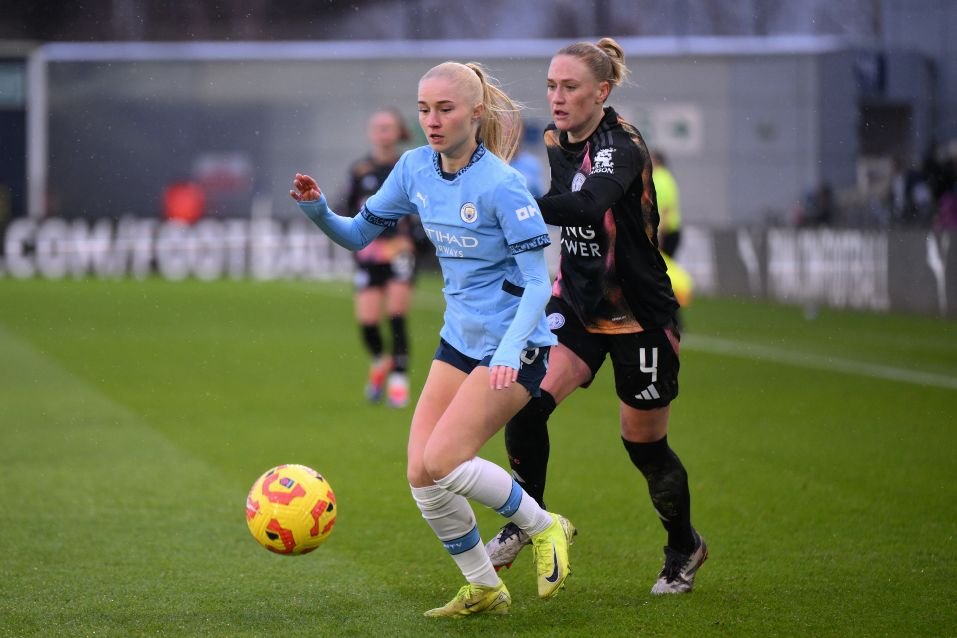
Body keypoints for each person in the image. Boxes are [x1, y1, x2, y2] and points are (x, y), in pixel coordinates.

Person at [290, 61, 576, 618]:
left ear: (475, 113)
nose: (432, 120)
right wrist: (318, 211)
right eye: (424, 109)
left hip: (516, 348)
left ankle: (546, 526)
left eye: (445, 109)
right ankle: (485, 586)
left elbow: (541, 282)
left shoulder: (503, 184)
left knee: (445, 459)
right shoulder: (414, 168)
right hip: (458, 344)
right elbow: (356, 236)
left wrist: (511, 350)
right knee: (421, 472)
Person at [484, 38, 707, 595]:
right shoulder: (557, 139)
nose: (557, 98)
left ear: (601, 91)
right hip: (578, 306)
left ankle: (684, 545)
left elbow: (586, 206)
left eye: (571, 87)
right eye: (552, 87)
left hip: (640, 314)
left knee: (643, 446)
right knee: (526, 404)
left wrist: (512, 203)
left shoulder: (622, 144)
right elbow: (564, 220)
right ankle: (526, 519)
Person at [343, 108, 416, 407]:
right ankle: (379, 361)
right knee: (368, 321)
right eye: (378, 127)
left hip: (399, 252)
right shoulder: (360, 170)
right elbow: (346, 208)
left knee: (397, 314)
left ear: (399, 132)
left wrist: (411, 240)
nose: (383, 133)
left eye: (388, 127)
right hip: (370, 253)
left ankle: (399, 380)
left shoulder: (409, 166)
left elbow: (422, 209)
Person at [650, 149, 682, 258]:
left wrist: (659, 237)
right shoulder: (667, 177)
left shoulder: (659, 179)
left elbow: (664, 211)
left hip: (665, 233)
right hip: (671, 232)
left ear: (656, 162)